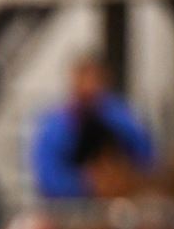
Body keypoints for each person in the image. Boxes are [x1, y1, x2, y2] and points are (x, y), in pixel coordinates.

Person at [30, 52, 156, 200]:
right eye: (83, 79)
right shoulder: (55, 125)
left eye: (94, 80)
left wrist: (124, 178)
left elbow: (148, 157)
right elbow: (47, 177)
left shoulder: (120, 116)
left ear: (105, 81)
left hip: (122, 202)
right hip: (71, 209)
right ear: (73, 81)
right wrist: (88, 183)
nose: (89, 87)